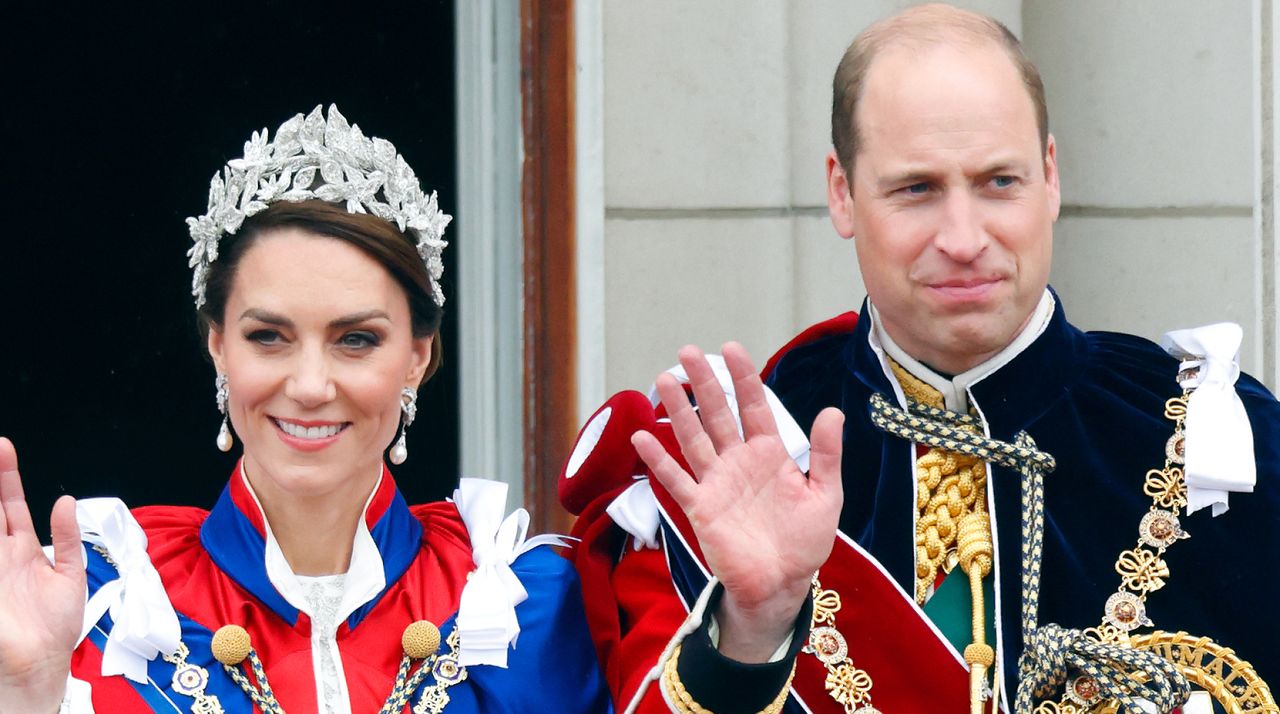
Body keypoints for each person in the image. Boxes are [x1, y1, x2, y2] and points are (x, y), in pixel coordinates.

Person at [558, 5, 1280, 713]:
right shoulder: (742, 462)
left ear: (1051, 177)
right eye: (917, 189)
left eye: (1000, 181)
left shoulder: (1222, 444)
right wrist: (753, 628)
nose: (963, 237)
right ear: (842, 193)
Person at [0, 105, 611, 713]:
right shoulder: (96, 608)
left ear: (418, 357)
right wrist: (24, 695)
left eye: (356, 340)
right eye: (269, 337)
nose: (312, 385)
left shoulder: (521, 603)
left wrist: (712, 616)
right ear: (218, 346)